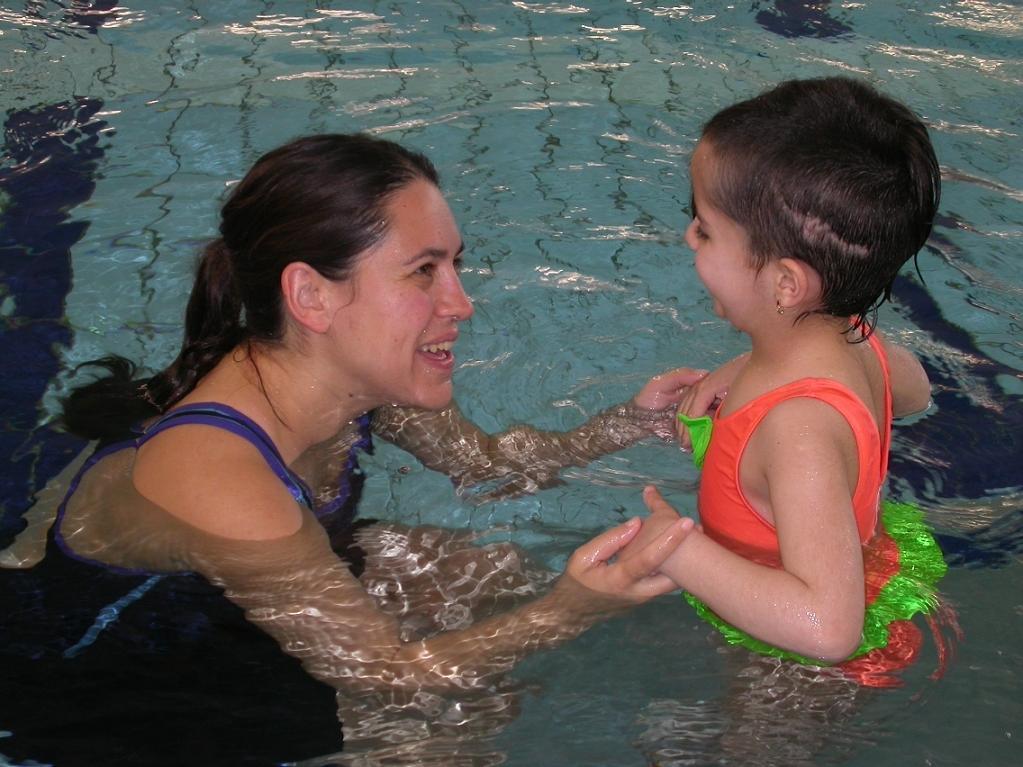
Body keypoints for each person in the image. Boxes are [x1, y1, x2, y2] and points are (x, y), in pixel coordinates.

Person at [0, 133, 699, 765]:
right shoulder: (218, 474)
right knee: (440, 725)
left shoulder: (358, 378)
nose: (461, 302)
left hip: (232, 605)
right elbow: (386, 676)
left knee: (494, 574)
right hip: (121, 681)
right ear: (311, 295)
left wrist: (629, 423)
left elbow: (486, 467)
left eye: (455, 265)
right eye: (423, 270)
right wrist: (573, 608)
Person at [639, 77, 949, 681]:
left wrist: (678, 549)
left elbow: (830, 630)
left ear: (785, 284)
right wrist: (744, 367)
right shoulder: (854, 340)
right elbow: (914, 391)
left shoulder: (797, 428)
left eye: (703, 227)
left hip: (797, 675)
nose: (687, 237)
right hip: (869, 566)